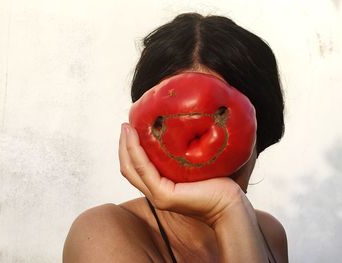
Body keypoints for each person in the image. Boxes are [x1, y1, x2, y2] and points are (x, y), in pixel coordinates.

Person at [63, 13, 288, 263]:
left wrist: (232, 212)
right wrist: (226, 208)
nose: (202, 148)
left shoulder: (270, 234)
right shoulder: (102, 234)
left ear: (262, 126)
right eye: (173, 122)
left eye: (223, 114)